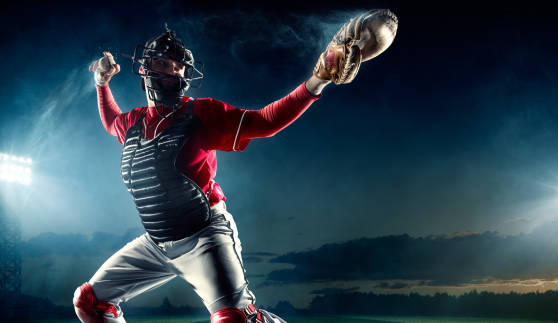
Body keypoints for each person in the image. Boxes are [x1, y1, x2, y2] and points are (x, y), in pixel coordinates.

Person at [74, 10, 397, 323]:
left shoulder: (201, 113)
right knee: (90, 302)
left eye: (178, 67)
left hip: (204, 236)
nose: (173, 72)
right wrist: (102, 84)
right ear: (145, 69)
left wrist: (317, 80)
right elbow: (111, 121)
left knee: (232, 319)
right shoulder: (132, 123)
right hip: (156, 242)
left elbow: (264, 121)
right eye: (163, 63)